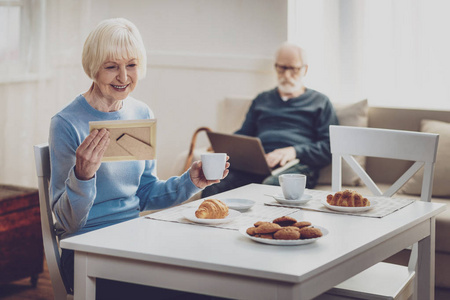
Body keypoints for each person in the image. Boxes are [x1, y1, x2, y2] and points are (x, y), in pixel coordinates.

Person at [49, 18, 229, 299]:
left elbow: (145, 194)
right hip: (85, 250)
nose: (123, 77)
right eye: (111, 67)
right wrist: (82, 177)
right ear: (93, 67)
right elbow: (66, 222)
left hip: (134, 240)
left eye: (131, 65)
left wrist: (190, 182)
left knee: (211, 283)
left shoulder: (141, 113)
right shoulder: (66, 123)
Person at [202, 42, 338, 198]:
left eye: (293, 69)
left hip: (296, 165)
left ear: (304, 69)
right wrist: (224, 146)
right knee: (214, 183)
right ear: (276, 67)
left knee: (269, 187)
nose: (286, 75)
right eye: (282, 68)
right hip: (258, 164)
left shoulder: (320, 102)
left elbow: (329, 147)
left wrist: (294, 151)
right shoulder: (262, 99)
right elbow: (244, 134)